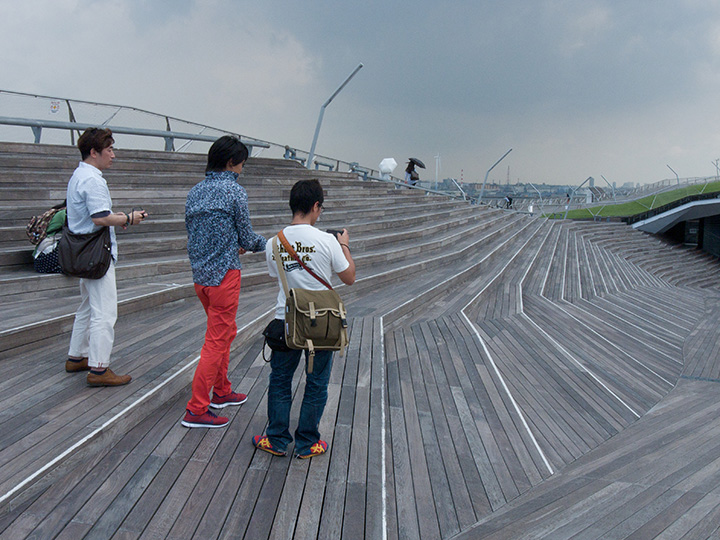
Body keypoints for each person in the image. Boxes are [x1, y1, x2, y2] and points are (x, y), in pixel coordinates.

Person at [253, 178, 355, 458]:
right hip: (321, 323)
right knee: (317, 383)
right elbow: (349, 278)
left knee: (280, 379)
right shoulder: (326, 240)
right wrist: (343, 245)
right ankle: (308, 442)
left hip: (286, 320)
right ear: (315, 206)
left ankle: (275, 439)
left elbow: (277, 276)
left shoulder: (274, 243)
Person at [181, 136, 267, 429]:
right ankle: (196, 409)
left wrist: (232, 244)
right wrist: (271, 244)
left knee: (225, 333)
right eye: (242, 162)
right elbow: (248, 238)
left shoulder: (195, 192)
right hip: (225, 277)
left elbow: (200, 234)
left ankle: (222, 391)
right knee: (216, 343)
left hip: (201, 279)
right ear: (232, 162)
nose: (242, 167)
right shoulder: (234, 191)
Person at [65, 128, 147, 385]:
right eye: (109, 149)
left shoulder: (78, 174)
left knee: (88, 307)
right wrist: (128, 218)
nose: (113, 155)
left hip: (82, 250)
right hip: (96, 254)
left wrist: (118, 218)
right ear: (94, 152)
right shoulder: (93, 179)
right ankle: (99, 369)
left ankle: (77, 356)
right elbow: (100, 217)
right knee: (105, 312)